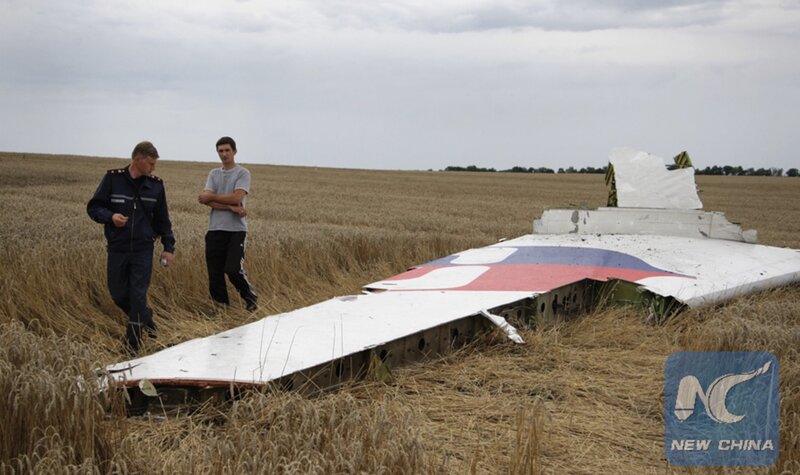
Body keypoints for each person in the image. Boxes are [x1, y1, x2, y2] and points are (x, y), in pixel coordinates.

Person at [87, 141, 175, 354]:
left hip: (143, 249)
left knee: (137, 296)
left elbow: (163, 219)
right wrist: (111, 217)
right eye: (151, 164)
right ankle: (148, 321)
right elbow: (94, 207)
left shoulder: (156, 185)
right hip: (117, 248)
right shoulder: (113, 179)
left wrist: (168, 247)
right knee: (118, 295)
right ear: (137, 159)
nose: (153, 169)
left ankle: (132, 346)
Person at [198, 136, 258, 311]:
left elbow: (237, 197)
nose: (224, 154)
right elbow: (204, 200)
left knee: (232, 268)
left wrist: (213, 196)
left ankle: (250, 297)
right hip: (215, 229)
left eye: (227, 150)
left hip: (236, 230)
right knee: (214, 273)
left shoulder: (242, 173)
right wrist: (231, 208)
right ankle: (221, 309)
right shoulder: (214, 173)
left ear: (234, 151)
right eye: (220, 151)